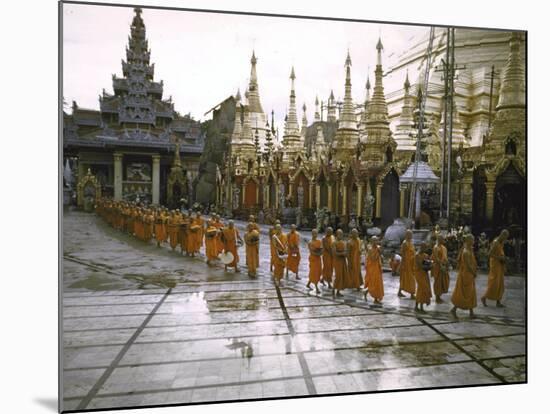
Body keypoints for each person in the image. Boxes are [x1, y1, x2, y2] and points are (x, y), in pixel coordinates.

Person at [450, 234, 478, 319]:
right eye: (472, 240)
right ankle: (454, 309)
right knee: (465, 294)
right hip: (466, 275)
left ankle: (471, 313)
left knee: (471, 293)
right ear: (469, 241)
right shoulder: (465, 252)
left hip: (469, 274)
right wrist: (474, 273)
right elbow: (468, 265)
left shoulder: (470, 250)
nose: (474, 242)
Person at [481, 229, 509, 307]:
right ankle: (484, 297)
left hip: (500, 264)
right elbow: (489, 254)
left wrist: (503, 259)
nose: (506, 239)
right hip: (495, 264)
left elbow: (500, 252)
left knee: (500, 283)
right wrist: (499, 258)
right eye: (505, 237)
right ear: (502, 235)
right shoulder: (495, 242)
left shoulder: (501, 242)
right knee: (494, 284)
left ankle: (498, 302)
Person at [364, 236, 384, 303]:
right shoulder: (370, 249)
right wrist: (378, 253)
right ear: (371, 242)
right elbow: (373, 259)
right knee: (374, 282)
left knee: (377, 282)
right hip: (372, 268)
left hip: (378, 267)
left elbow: (381, 257)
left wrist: (380, 253)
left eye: (376, 240)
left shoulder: (378, 248)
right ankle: (375, 298)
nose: (375, 242)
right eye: (374, 241)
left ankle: (367, 291)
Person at [414, 242, 433, 313]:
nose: (424, 249)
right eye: (423, 247)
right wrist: (429, 267)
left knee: (420, 289)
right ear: (420, 247)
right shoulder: (417, 255)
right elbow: (420, 266)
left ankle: (416, 306)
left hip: (424, 273)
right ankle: (421, 308)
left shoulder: (425, 255)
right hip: (419, 273)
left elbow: (429, 262)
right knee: (423, 288)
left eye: (425, 247)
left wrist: (431, 265)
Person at [431, 235, 450, 303]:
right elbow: (436, 258)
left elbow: (445, 257)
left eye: (443, 239)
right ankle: (437, 298)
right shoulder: (436, 247)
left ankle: (439, 296)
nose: (443, 240)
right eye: (442, 239)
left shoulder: (444, 248)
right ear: (438, 239)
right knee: (437, 282)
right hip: (438, 267)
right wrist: (441, 265)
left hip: (443, 266)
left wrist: (447, 264)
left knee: (443, 281)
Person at [398, 230, 416, 299]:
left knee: (404, 279)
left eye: (411, 234)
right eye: (409, 234)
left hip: (412, 263)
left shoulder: (411, 242)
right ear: (406, 235)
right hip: (406, 263)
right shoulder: (405, 243)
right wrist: (402, 265)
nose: (411, 236)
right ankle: (412, 294)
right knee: (410, 279)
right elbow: (403, 255)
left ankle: (399, 292)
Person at [332, 229, 348, 297]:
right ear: (336, 235)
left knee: (342, 276)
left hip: (343, 261)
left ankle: (338, 291)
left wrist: (345, 254)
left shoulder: (343, 242)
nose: (340, 236)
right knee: (338, 276)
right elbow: (334, 253)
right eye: (339, 234)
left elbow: (346, 251)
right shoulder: (334, 243)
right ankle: (333, 289)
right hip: (337, 261)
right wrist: (342, 253)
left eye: (341, 234)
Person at [306, 229, 323, 293]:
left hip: (318, 259)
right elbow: (312, 252)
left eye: (316, 233)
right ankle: (316, 288)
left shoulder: (319, 241)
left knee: (317, 272)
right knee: (314, 272)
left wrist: (320, 253)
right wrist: (318, 254)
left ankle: (308, 284)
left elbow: (321, 249)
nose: (315, 235)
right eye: (314, 233)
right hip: (313, 259)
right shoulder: (310, 242)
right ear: (312, 234)